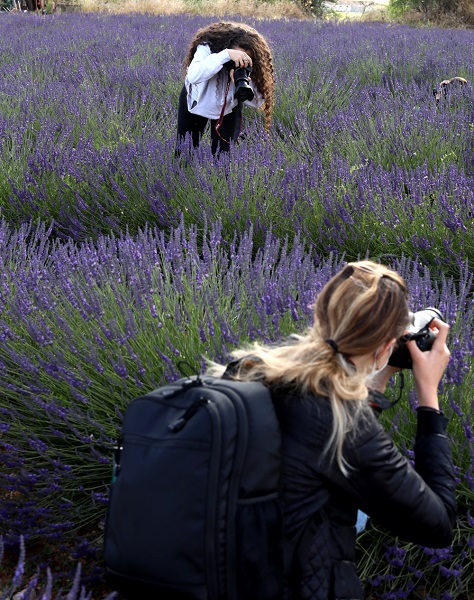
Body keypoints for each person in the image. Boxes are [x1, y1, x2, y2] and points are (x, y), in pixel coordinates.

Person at [208, 260, 456, 600]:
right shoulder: (342, 423)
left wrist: (378, 373)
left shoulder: (247, 370)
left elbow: (329, 431)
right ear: (386, 346)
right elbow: (439, 525)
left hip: (218, 571)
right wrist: (429, 395)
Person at [176, 21, 275, 155]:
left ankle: (218, 177)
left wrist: (243, 82)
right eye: (238, 56)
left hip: (229, 108)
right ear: (227, 46)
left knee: (223, 158)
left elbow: (257, 102)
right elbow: (193, 75)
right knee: (184, 152)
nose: (239, 62)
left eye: (245, 59)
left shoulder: (251, 62)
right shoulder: (208, 47)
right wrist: (225, 55)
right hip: (196, 101)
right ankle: (182, 175)